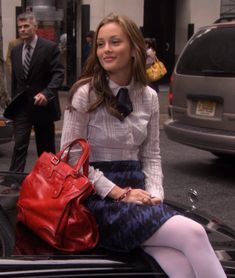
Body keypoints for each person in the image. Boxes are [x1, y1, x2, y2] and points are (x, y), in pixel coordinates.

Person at [60, 13, 226, 278]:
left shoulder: (148, 96)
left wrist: (156, 193)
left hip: (139, 193)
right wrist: (119, 193)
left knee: (180, 265)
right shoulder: (85, 93)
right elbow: (72, 161)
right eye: (101, 44)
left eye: (115, 42)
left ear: (134, 48)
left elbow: (151, 155)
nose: (106, 50)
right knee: (193, 233)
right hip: (97, 199)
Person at [9, 12, 64, 172]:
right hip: (22, 107)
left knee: (45, 147)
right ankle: (13, 180)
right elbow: (15, 80)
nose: (23, 30)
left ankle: (48, 178)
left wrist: (47, 93)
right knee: (19, 144)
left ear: (35, 27)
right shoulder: (15, 50)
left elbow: (58, 73)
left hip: (43, 106)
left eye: (26, 26)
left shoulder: (49, 47)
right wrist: (14, 101)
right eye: (20, 27)